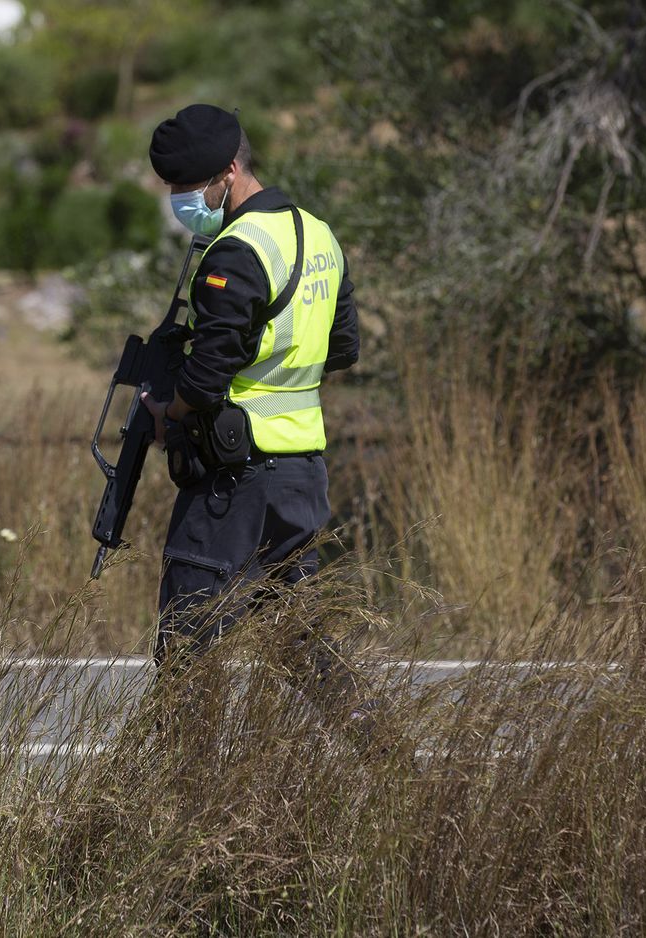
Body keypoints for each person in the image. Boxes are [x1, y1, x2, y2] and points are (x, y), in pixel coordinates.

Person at [139, 103, 370, 730]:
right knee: (305, 640)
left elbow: (210, 372)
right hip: (302, 475)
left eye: (188, 188)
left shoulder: (235, 250)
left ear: (230, 172)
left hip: (233, 482)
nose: (183, 200)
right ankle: (391, 762)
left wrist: (169, 409)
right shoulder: (318, 234)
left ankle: (186, 799)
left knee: (187, 644)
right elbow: (343, 347)